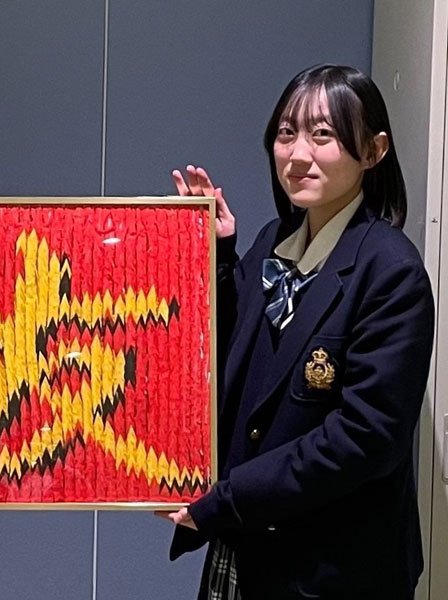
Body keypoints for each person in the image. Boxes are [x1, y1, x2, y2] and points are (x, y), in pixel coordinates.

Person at [159, 64, 435, 599]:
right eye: (286, 133)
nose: (297, 154)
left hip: (333, 569)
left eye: (322, 135)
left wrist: (230, 499)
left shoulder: (391, 271)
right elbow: (230, 365)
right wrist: (218, 254)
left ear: (374, 150)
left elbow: (365, 438)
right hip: (247, 547)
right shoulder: (272, 240)